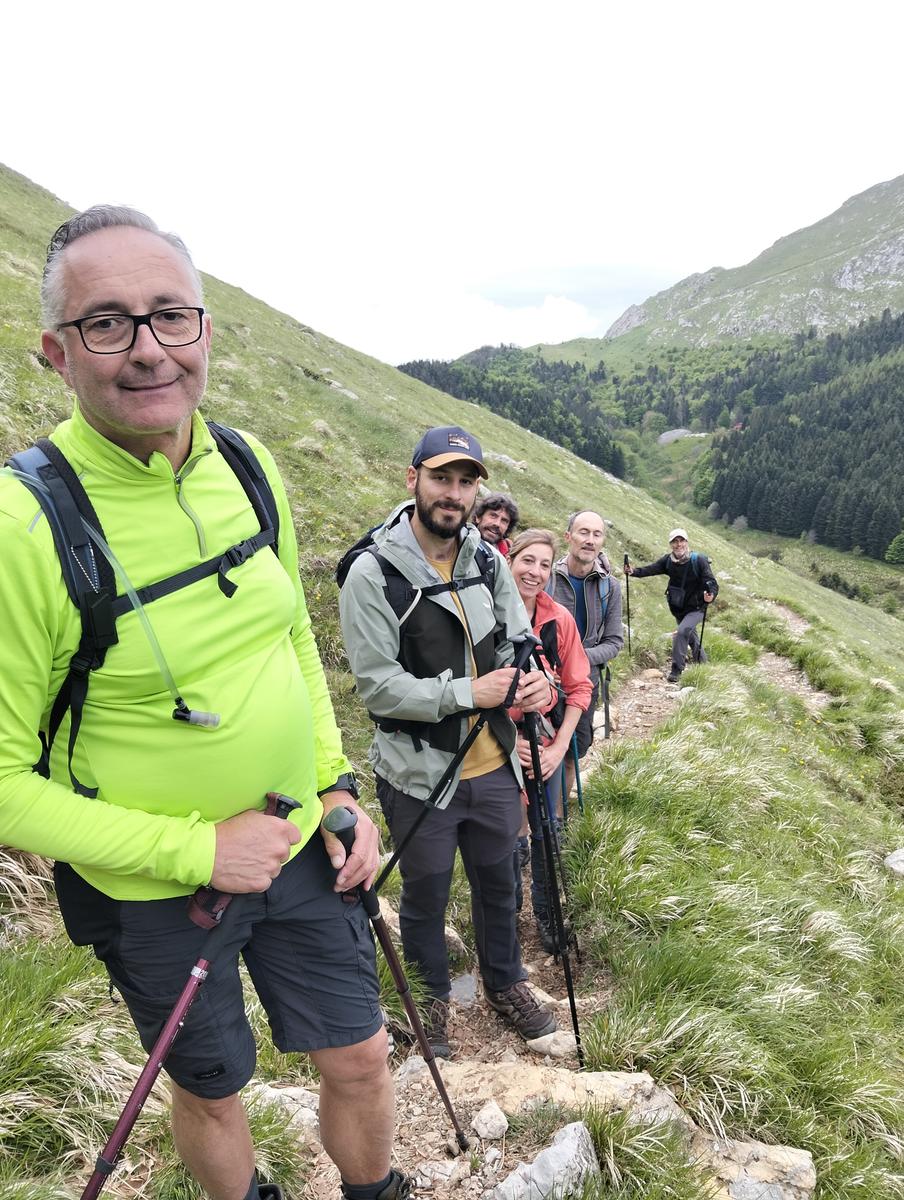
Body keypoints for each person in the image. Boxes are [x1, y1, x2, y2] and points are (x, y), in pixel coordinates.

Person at [0, 207, 407, 1200]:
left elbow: (288, 640)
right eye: (107, 324)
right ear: (57, 352)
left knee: (359, 1059)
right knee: (214, 1091)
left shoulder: (248, 463)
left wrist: (334, 783)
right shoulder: (21, 527)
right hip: (154, 897)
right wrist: (199, 853)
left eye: (168, 316)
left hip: (302, 844)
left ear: (206, 333)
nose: (147, 351)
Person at [338, 426, 558, 1059]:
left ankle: (506, 982)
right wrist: (472, 692)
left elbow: (518, 638)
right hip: (419, 773)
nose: (453, 494)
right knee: (426, 892)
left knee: (498, 883)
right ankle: (433, 997)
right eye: (441, 478)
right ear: (413, 480)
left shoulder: (486, 559)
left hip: (493, 764)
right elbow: (379, 690)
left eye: (466, 482)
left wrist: (533, 680)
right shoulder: (372, 573)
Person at [506, 530, 592, 952]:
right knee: (504, 837)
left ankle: (546, 916)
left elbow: (579, 689)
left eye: (544, 564)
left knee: (548, 832)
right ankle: (507, 919)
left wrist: (558, 748)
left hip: (547, 745)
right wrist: (506, 743)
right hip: (495, 749)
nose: (535, 572)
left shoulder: (559, 620)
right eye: (527, 561)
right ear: (510, 559)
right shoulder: (484, 616)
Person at [546, 510, 623, 793]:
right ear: (569, 537)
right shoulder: (547, 577)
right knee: (540, 748)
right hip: (544, 680)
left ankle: (560, 824)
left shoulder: (609, 587)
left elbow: (614, 642)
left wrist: (577, 660)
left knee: (572, 754)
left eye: (596, 534)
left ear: (602, 542)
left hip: (583, 685)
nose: (590, 540)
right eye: (583, 532)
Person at [625, 527, 718, 683]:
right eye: (675, 541)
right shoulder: (668, 561)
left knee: (682, 632)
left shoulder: (699, 560)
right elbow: (651, 569)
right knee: (691, 637)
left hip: (697, 608)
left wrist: (711, 595)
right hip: (678, 607)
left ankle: (676, 670)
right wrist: (633, 571)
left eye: (681, 540)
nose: (678, 544)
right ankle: (704, 665)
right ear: (671, 544)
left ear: (686, 542)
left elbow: (711, 582)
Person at [474, 491, 519, 556]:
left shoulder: (509, 557)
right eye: (493, 516)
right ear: (478, 517)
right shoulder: (459, 539)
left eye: (504, 521)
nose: (497, 524)